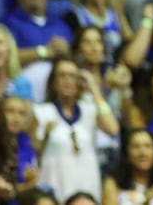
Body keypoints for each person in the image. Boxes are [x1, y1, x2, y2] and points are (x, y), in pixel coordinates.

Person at [34, 59, 120, 202]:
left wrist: (94, 89)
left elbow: (112, 128)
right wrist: (46, 136)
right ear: (53, 82)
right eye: (62, 76)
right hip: (55, 185)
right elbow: (34, 152)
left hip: (87, 186)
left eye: (73, 76)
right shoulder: (41, 112)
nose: (68, 81)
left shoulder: (89, 110)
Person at [103, 128, 153, 205]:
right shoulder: (113, 183)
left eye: (148, 146)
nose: (143, 153)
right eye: (136, 147)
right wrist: (147, 201)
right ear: (126, 153)